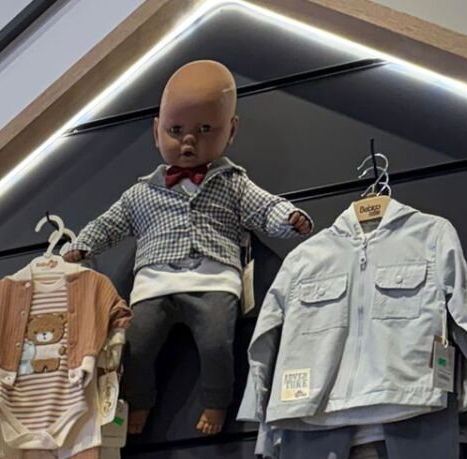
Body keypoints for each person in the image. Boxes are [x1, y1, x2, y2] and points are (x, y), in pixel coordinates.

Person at [66, 58, 312, 436]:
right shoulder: (140, 193)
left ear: (231, 130)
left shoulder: (232, 183)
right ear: (156, 131)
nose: (189, 140)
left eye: (205, 129)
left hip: (214, 281)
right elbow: (108, 223)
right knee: (133, 346)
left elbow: (265, 207)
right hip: (153, 284)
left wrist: (288, 218)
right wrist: (83, 246)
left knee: (216, 344)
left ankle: (217, 400)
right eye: (176, 130)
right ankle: (139, 400)